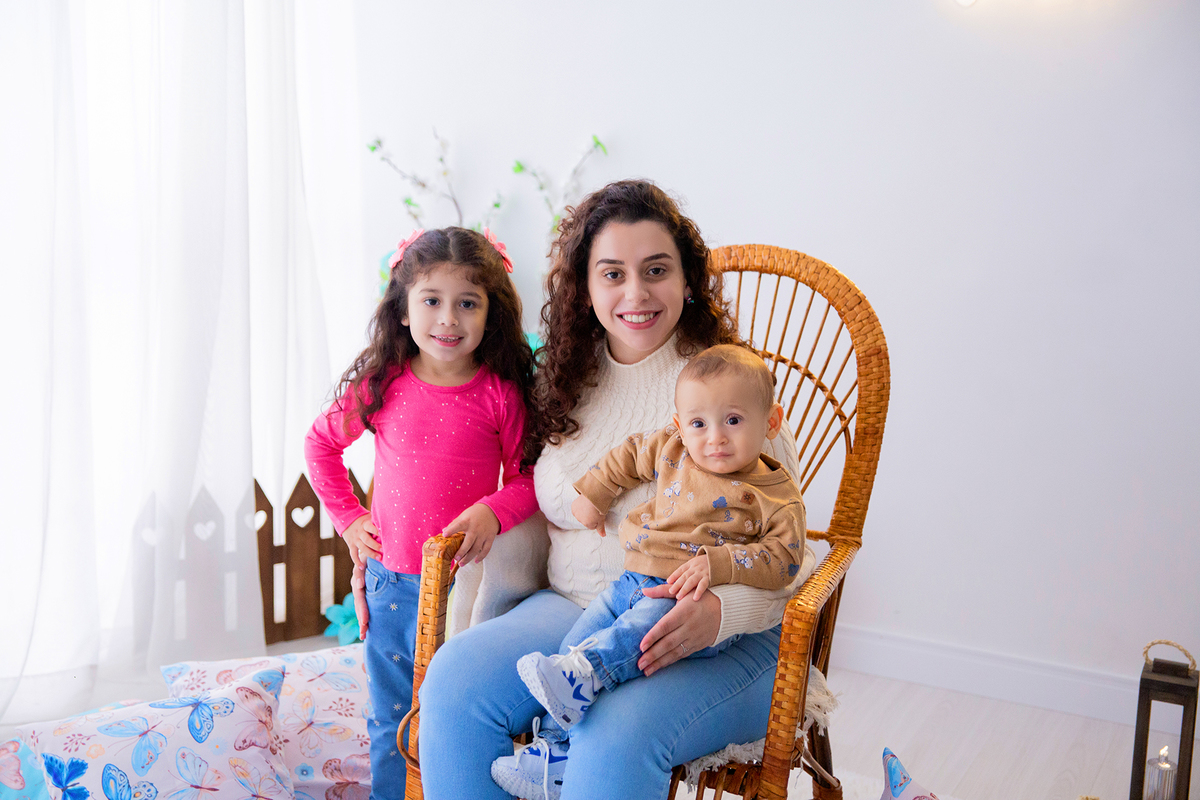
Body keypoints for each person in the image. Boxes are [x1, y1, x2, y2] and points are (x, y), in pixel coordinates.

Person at [416, 180, 814, 800]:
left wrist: (718, 613)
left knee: (607, 732)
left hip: (718, 633)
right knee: (453, 683)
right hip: (582, 607)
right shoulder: (568, 372)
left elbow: (793, 558)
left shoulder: (726, 388)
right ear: (586, 286)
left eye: (655, 270)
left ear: (688, 280)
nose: (635, 293)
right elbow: (533, 485)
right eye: (612, 274)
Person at [303, 227, 539, 800]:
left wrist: (491, 512)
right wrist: (349, 518)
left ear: (491, 315)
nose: (448, 319)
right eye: (431, 300)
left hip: (468, 586)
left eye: (467, 303)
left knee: (451, 717)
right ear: (403, 311)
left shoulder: (502, 394)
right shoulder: (384, 382)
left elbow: (533, 480)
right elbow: (320, 445)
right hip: (391, 584)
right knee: (391, 719)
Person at [507, 344, 807, 747]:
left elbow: (785, 559)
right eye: (699, 424)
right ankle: (556, 753)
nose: (715, 438)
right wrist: (595, 493)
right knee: (571, 647)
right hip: (630, 580)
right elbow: (629, 456)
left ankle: (588, 675)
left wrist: (719, 564)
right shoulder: (674, 447)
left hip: (685, 599)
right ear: (680, 425)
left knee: (625, 641)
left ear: (771, 422)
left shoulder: (777, 497)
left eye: (733, 420)